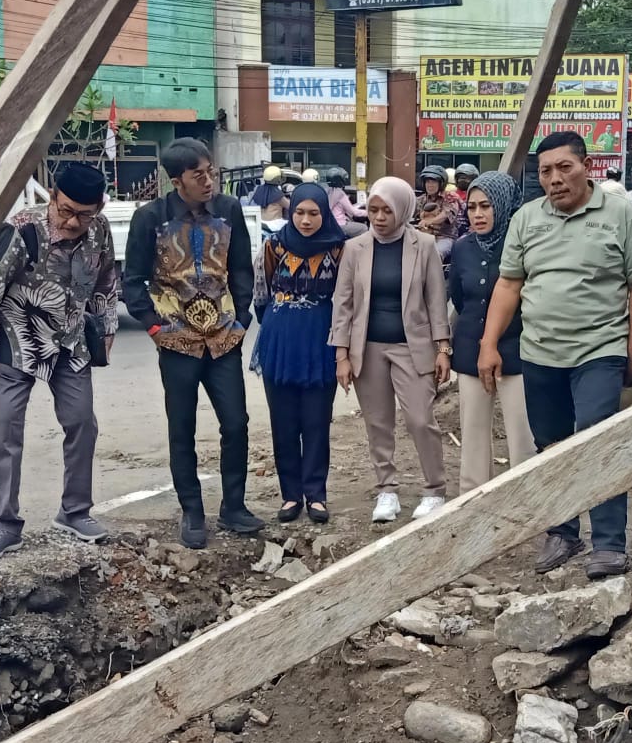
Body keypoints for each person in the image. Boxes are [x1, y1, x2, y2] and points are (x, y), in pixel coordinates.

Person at [481, 130, 632, 579]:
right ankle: (562, 530)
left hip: (600, 350)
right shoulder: (525, 219)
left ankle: (609, 544)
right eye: (545, 172)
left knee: (597, 441)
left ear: (587, 166)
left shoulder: (620, 214)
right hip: (539, 351)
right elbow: (509, 284)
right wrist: (489, 344)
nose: (555, 179)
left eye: (564, 168)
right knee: (552, 445)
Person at [0, 163, 117, 560]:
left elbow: (106, 283)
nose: (73, 222)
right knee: (6, 430)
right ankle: (4, 524)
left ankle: (75, 511)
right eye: (66, 210)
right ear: (52, 196)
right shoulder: (21, 230)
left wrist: (106, 328)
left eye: (84, 214)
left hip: (70, 345)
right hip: (16, 344)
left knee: (82, 423)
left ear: (99, 207)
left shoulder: (99, 231)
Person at [124, 138, 265, 550]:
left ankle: (234, 507)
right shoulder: (150, 218)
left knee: (236, 423)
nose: (209, 181)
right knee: (181, 427)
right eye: (198, 175)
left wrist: (241, 318)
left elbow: (241, 267)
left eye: (211, 171)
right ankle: (192, 511)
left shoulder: (229, 210)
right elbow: (133, 279)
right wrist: (154, 327)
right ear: (177, 181)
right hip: (176, 340)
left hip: (224, 338)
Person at [328, 175, 452, 524]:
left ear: (403, 210)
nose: (379, 217)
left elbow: (436, 300)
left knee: (420, 419)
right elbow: (344, 304)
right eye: (373, 209)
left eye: (387, 210)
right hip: (367, 350)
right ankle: (387, 490)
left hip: (412, 348)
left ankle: (434, 489)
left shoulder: (423, 245)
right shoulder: (356, 248)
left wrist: (443, 348)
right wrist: (341, 354)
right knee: (377, 423)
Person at [255, 182, 347, 524]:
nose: (306, 220)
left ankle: (316, 495)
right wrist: (279, 323)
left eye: (314, 213)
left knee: (316, 421)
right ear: (290, 213)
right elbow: (261, 292)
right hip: (279, 341)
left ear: (324, 213)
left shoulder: (339, 248)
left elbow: (345, 296)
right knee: (283, 422)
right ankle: (290, 495)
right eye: (299, 212)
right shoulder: (274, 244)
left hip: (321, 341)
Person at [451, 171, 536, 492]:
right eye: (472, 207)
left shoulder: (522, 243)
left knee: (522, 433)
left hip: (517, 348)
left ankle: (527, 500)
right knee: (472, 432)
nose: (478, 214)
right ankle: (472, 500)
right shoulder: (462, 248)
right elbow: (459, 298)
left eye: (485, 206)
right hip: (471, 348)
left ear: (501, 205)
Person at [416, 164, 466, 260]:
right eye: (427, 182)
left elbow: (446, 214)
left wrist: (430, 221)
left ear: (441, 183)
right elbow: (410, 208)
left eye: (433, 182)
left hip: (444, 237)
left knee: (436, 254)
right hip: (425, 236)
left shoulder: (449, 197)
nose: (430, 185)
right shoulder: (421, 199)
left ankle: (436, 275)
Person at [324, 167, 368, 237]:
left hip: (329, 225)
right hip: (340, 225)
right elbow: (353, 212)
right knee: (364, 228)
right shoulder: (340, 194)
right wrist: (368, 213)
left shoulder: (326, 191)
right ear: (340, 180)